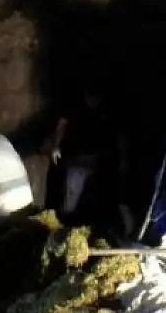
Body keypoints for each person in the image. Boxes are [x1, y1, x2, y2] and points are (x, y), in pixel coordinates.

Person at [47, 83, 124, 217]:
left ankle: (76, 216)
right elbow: (61, 125)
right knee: (72, 187)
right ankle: (65, 216)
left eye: (98, 100)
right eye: (93, 100)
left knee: (86, 192)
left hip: (94, 158)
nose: (95, 103)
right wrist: (56, 146)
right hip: (74, 156)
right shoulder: (75, 106)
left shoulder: (105, 110)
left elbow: (119, 134)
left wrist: (123, 159)